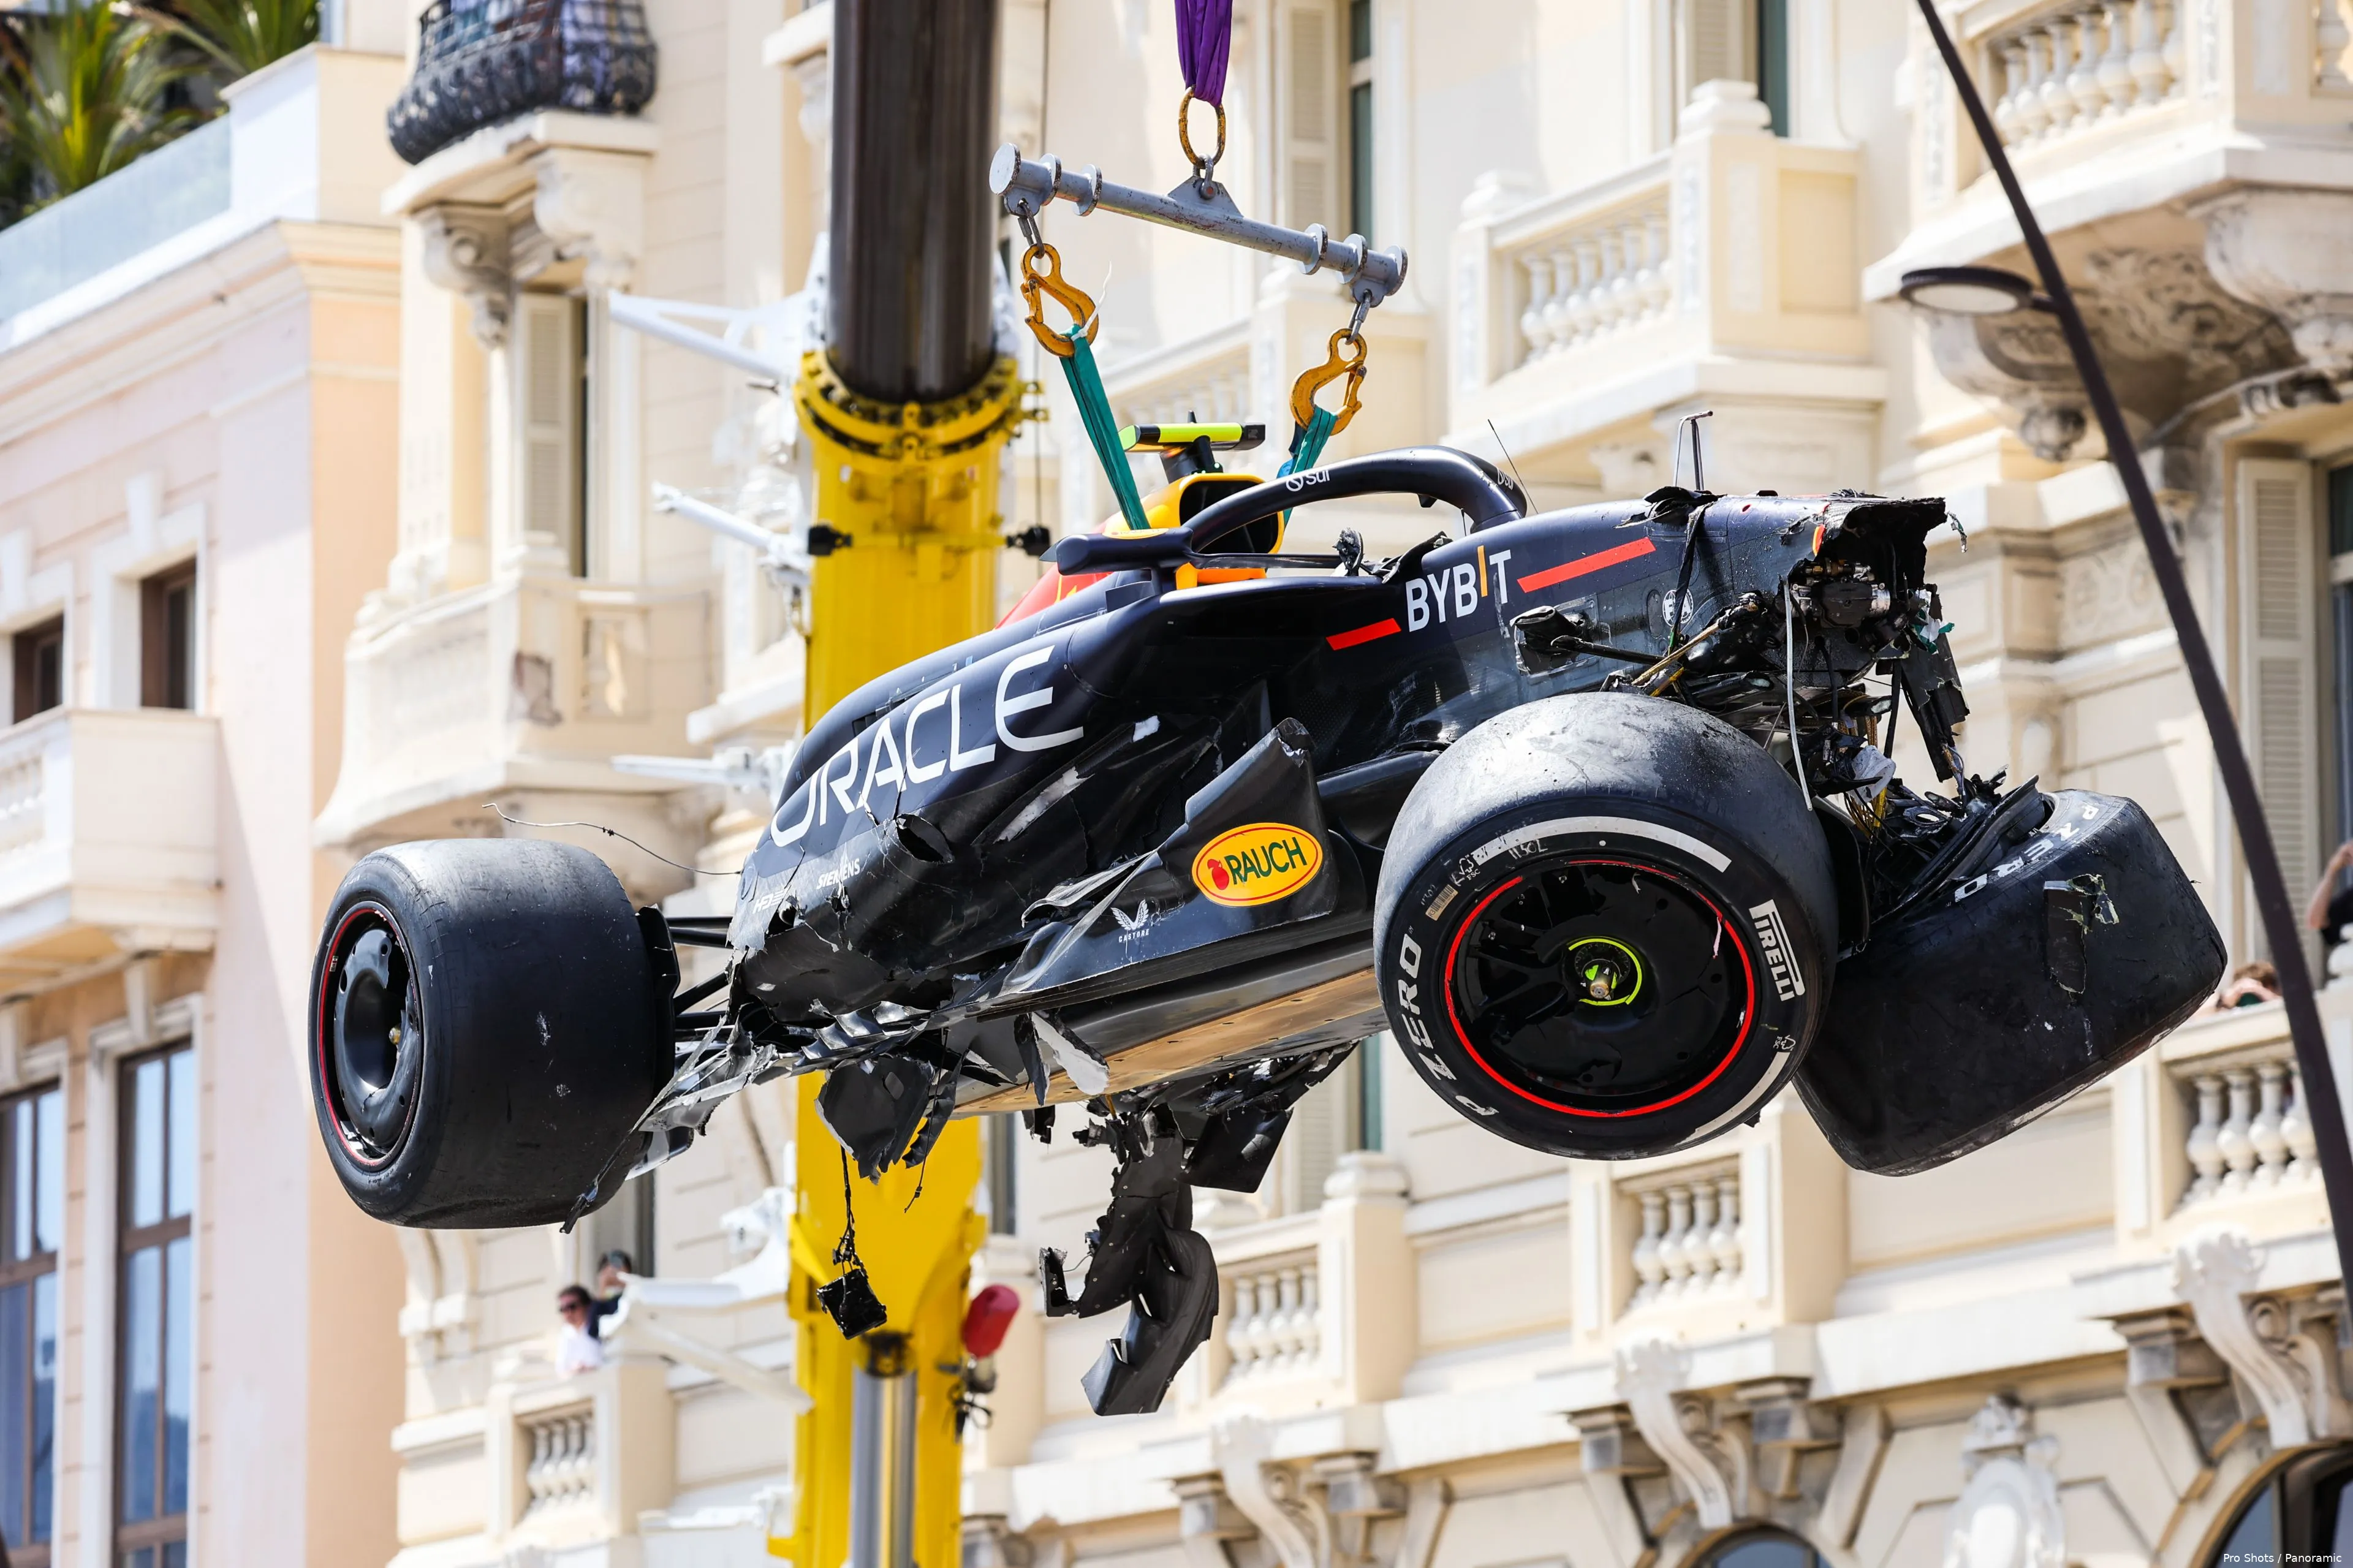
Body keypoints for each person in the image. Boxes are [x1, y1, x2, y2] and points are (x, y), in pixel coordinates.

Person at [556, 1284, 605, 1376]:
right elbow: (561, 1370)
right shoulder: (565, 1334)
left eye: (572, 1307)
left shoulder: (600, 1328)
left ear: (587, 1306)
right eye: (563, 1309)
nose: (568, 1313)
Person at [587, 1248, 632, 1340]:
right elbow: (593, 1330)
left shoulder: (632, 1299)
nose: (615, 1276)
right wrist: (603, 1287)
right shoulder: (600, 1304)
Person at [2203, 960, 2281, 1013]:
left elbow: (2287, 1008)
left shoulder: (2278, 1008)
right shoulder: (2230, 1011)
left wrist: (2259, 991)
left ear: (2270, 988)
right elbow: (2195, 1016)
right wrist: (2223, 1000)